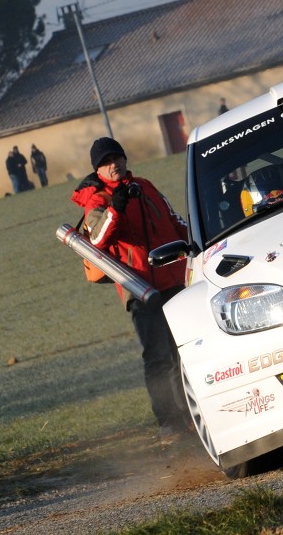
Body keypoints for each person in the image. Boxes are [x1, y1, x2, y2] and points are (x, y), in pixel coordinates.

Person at [70, 137, 192, 441]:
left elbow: (173, 220)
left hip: (174, 282)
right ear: (98, 169)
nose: (114, 165)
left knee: (185, 351)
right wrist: (117, 209)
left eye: (118, 158)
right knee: (158, 357)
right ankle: (169, 422)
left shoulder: (145, 185)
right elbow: (96, 241)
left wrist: (195, 244)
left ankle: (193, 413)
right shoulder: (97, 201)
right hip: (138, 289)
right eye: (106, 162)